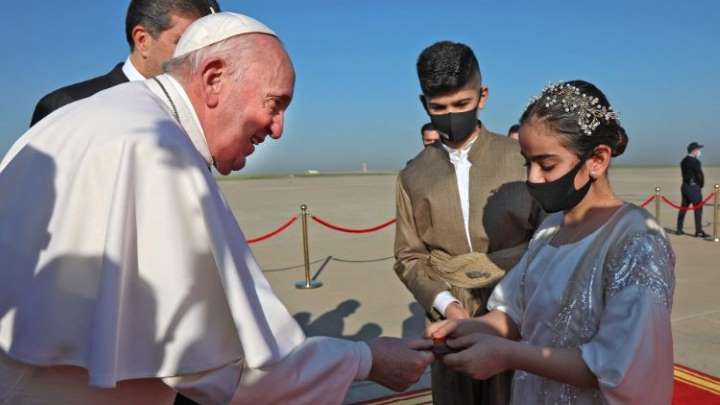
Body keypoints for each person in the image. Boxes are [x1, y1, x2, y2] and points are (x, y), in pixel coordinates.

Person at [0, 12, 434, 404]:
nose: (278, 129)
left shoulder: (83, 117)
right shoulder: (159, 147)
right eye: (275, 103)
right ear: (213, 78)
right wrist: (366, 358)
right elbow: (236, 369)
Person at [427, 81, 676, 404]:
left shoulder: (637, 241)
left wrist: (509, 356)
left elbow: (623, 367)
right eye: (527, 163)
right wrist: (468, 330)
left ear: (597, 160)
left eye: (547, 165)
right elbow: (514, 314)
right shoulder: (549, 230)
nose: (532, 179)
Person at [394, 41, 542, 405]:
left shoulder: (522, 159)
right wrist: (448, 306)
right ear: (423, 104)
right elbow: (409, 257)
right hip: (451, 317)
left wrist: (509, 307)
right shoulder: (413, 175)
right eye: (439, 107)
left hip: (521, 307)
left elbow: (549, 238)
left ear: (483, 96)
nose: (450, 115)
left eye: (462, 104)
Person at [30, 0, 221, 127]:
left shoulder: (199, 114)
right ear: (142, 40)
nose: (200, 58)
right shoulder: (64, 106)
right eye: (185, 42)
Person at [676, 142, 708, 237]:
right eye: (698, 150)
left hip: (685, 186)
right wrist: (700, 185)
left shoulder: (683, 161)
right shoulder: (695, 161)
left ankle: (679, 229)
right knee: (698, 208)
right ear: (694, 151)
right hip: (694, 188)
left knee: (683, 207)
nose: (699, 152)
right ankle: (698, 230)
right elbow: (699, 175)